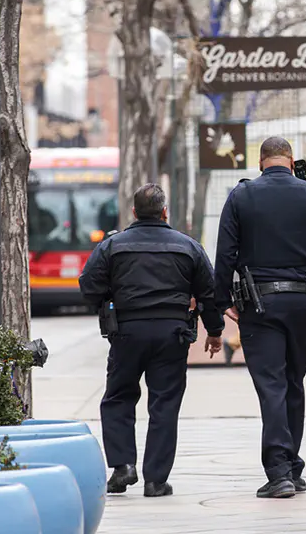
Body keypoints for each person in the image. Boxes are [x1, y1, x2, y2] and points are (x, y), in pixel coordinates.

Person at [214, 136, 306, 499]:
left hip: (259, 305)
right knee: (294, 381)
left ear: (261, 162)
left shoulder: (240, 196)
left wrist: (222, 302)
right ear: (291, 161)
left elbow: (224, 254)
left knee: (271, 385)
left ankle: (279, 472)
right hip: (303, 305)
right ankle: (292, 466)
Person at [79, 183, 224, 498]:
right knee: (164, 404)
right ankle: (156, 480)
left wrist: (109, 300)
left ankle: (122, 466)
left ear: (134, 212)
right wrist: (214, 331)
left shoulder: (112, 246)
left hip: (127, 332)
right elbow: (209, 293)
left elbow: (89, 286)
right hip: (172, 334)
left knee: (118, 397)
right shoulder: (188, 246)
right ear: (164, 212)